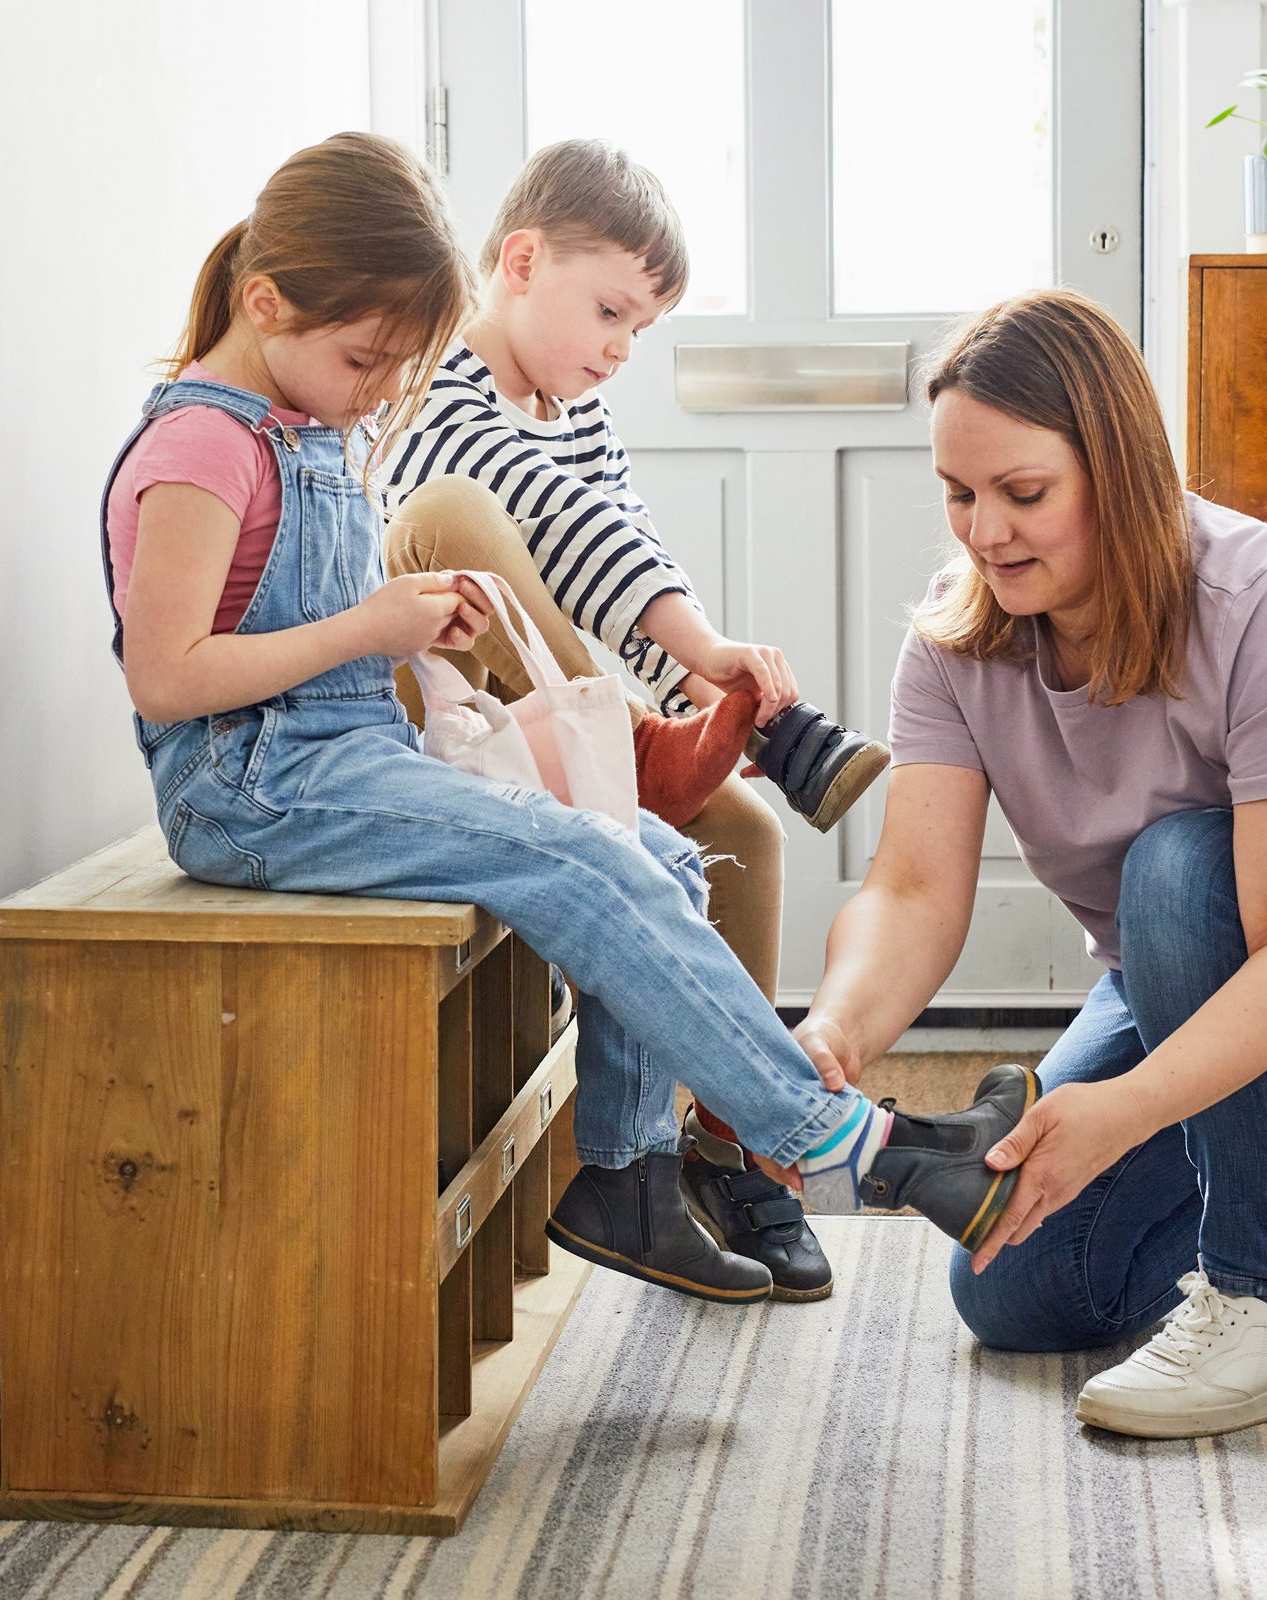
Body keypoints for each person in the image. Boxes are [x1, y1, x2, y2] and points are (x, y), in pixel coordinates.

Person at [99, 131, 1032, 1308]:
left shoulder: (310, 422)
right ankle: (844, 1142)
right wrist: (369, 627)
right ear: (265, 300)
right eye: (368, 360)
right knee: (586, 850)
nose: (385, 392)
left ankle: (631, 1175)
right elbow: (167, 679)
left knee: (659, 850)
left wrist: (416, 623)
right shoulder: (199, 442)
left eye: (400, 367)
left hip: (339, 759)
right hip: (246, 788)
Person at [381, 139, 890, 1301]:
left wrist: (698, 685)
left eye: (640, 332)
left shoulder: (575, 410)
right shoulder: (435, 384)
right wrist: (700, 664)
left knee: (746, 831)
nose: (619, 350)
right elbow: (554, 533)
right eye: (608, 312)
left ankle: (721, 1146)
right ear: (518, 261)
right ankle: (664, 749)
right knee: (486, 527)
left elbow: (624, 549)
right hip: (440, 709)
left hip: (552, 707)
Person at [794, 288, 1267, 1438]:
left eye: (1023, 494)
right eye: (958, 495)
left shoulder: (1258, 604)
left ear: (1115, 471)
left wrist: (1116, 1113)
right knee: (1009, 1283)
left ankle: (1262, 1290)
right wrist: (838, 1028)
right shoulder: (960, 639)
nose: (983, 532)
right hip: (1154, 992)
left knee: (1172, 868)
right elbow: (912, 890)